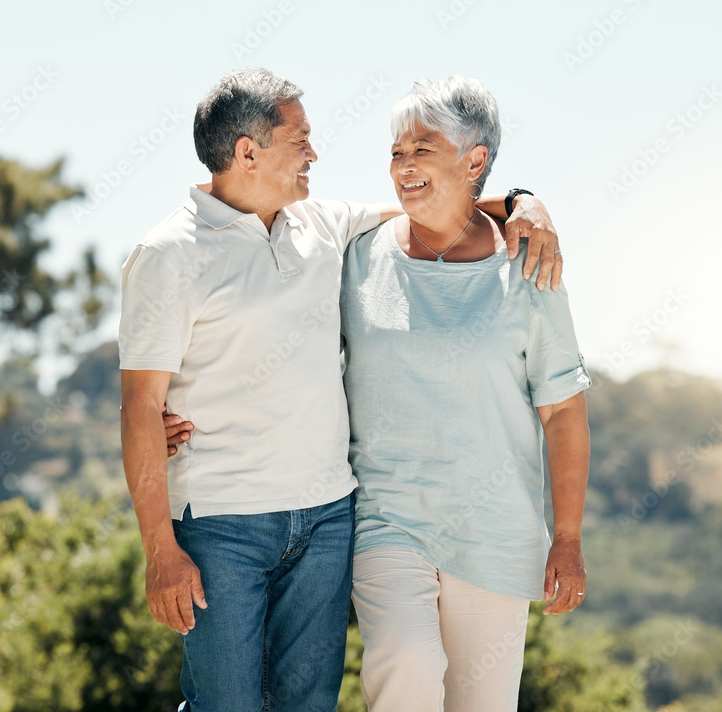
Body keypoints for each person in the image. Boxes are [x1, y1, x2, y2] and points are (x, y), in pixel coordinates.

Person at [123, 67, 562, 712]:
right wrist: (160, 552)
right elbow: (138, 407)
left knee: (308, 703)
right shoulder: (168, 253)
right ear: (248, 152)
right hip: (222, 525)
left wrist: (527, 201)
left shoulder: (323, 226)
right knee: (227, 703)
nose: (314, 153)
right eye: (299, 139)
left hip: (327, 518)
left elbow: (439, 202)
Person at [340, 75, 592, 712]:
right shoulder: (357, 257)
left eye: (422, 148)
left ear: (475, 160)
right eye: (397, 151)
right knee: (407, 671)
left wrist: (566, 539)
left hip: (496, 530)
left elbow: (562, 410)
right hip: (387, 520)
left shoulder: (530, 264)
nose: (403, 166)